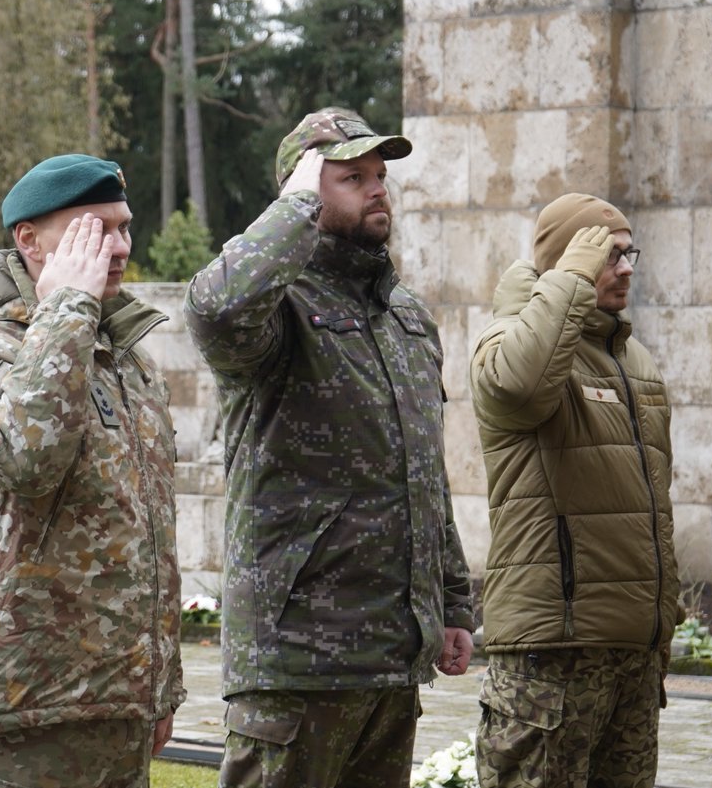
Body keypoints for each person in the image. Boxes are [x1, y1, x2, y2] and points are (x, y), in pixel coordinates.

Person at [184, 107, 475, 788]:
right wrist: (295, 209)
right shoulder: (276, 308)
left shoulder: (406, 316)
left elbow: (421, 473)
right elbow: (215, 309)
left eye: (381, 175)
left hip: (388, 659)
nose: (378, 188)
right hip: (296, 663)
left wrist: (453, 603)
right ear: (305, 190)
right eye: (352, 177)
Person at [0, 154, 185, 788]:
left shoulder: (128, 358)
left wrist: (160, 682)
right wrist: (68, 305)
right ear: (29, 239)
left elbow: (150, 530)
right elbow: (26, 456)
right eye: (95, 229)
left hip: (118, 704)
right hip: (26, 709)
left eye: (125, 227)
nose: (120, 246)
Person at [469, 194, 680, 787]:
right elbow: (520, 385)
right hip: (549, 661)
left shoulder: (633, 360)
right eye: (610, 254)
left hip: (632, 659)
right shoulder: (506, 342)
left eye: (629, 252)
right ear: (571, 264)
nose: (628, 268)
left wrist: (662, 624)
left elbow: (652, 508)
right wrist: (568, 280)